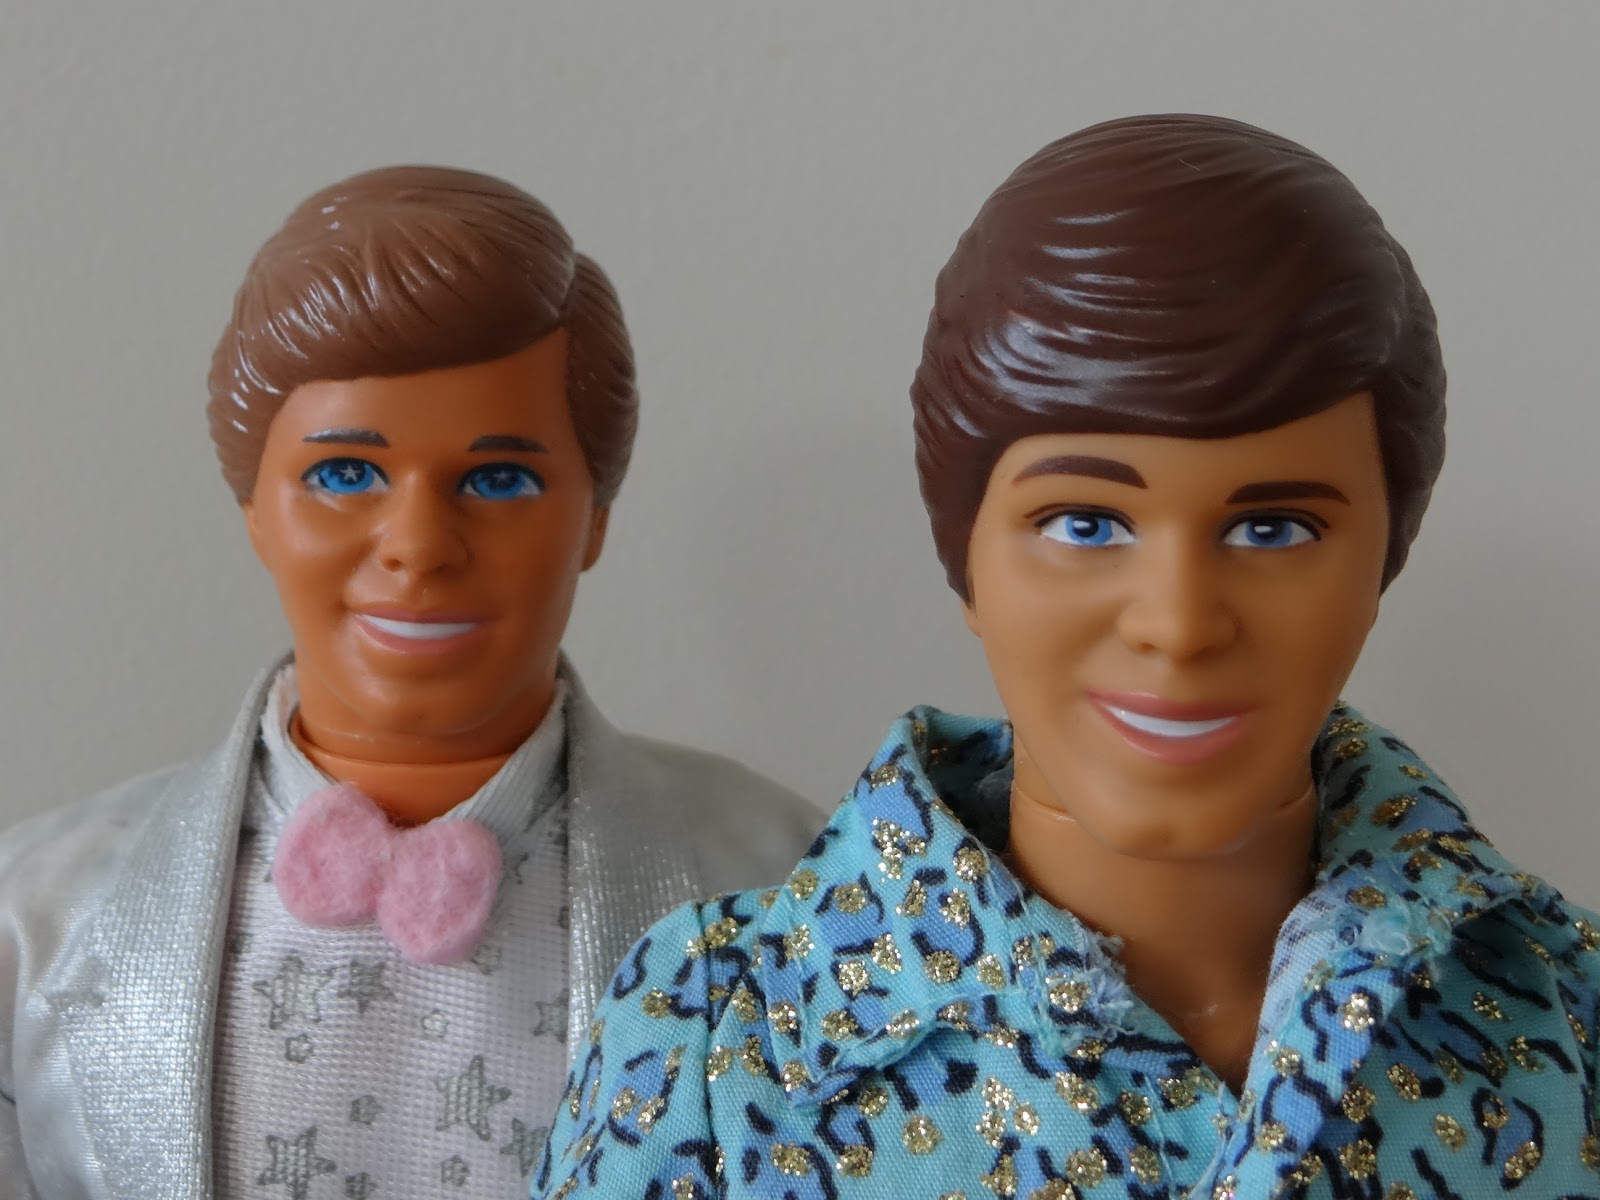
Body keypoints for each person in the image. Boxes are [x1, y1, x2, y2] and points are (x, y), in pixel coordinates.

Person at [533, 116, 1600, 1199]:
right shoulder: (712, 1040)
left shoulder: (1571, 1013)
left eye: (1271, 528)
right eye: (1085, 524)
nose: (1178, 623)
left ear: (1382, 559)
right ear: (967, 559)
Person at [0, 166, 819, 1200]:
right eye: (344, 475)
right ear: (256, 509)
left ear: (594, 518)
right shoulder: (35, 917)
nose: (419, 546)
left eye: (499, 479)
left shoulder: (790, 890)